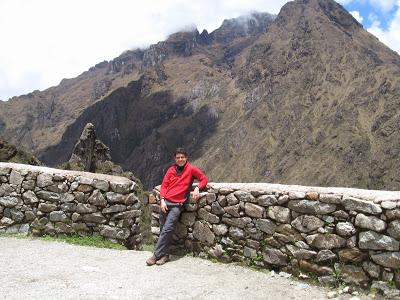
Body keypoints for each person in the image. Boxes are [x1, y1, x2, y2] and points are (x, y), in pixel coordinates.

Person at [146, 147, 208, 266]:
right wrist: (162, 200)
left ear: (186, 158)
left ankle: (155, 255)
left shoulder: (191, 169)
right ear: (175, 159)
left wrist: (197, 188)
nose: (180, 159)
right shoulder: (171, 170)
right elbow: (164, 186)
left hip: (177, 205)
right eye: (178, 157)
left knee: (168, 229)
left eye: (182, 157)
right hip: (166, 203)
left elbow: (203, 179)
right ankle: (164, 255)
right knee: (164, 229)